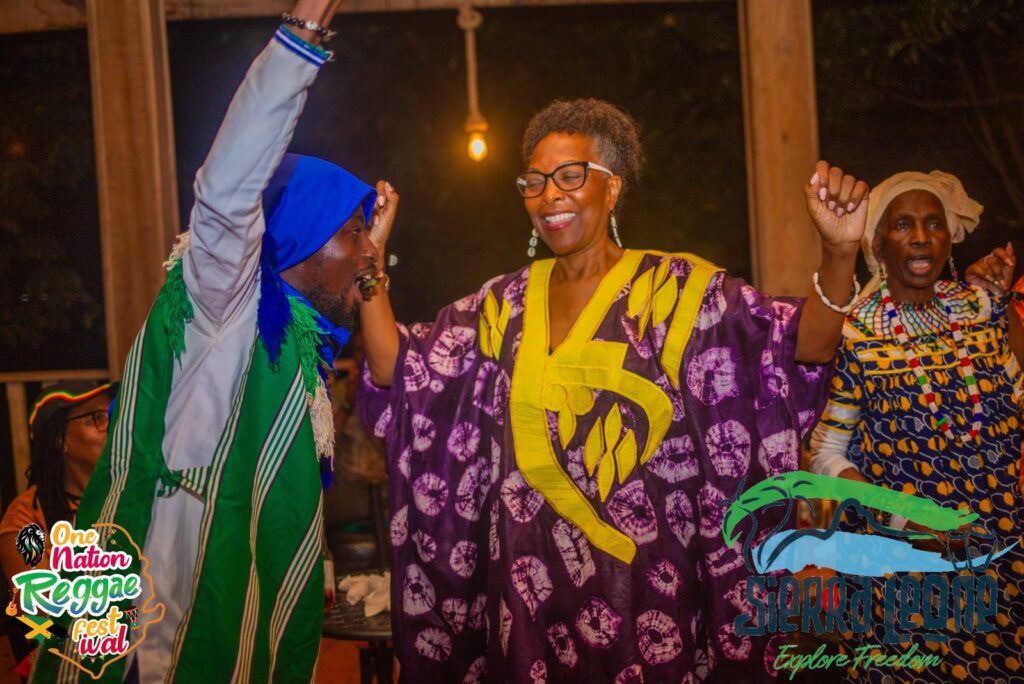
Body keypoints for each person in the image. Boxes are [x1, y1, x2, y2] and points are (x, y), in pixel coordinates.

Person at [356, 98, 869, 681]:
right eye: (534, 182)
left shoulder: (681, 293)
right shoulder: (500, 308)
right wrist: (369, 263)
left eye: (570, 176)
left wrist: (840, 252)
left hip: (648, 599)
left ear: (612, 187)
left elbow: (805, 346)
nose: (549, 195)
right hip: (528, 602)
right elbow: (397, 370)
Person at [29, 1, 384, 681]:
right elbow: (226, 190)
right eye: (352, 232)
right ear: (298, 238)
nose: (370, 252)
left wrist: (365, 253)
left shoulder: (294, 345)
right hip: (162, 630)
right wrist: (303, 33)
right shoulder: (225, 306)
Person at [809, 170, 1023, 683]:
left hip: (1005, 553)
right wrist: (908, 522)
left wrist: (999, 298)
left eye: (933, 224)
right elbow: (824, 454)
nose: (922, 237)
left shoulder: (983, 309)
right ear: (877, 243)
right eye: (903, 225)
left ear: (949, 238)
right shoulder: (855, 332)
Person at [2, 382, 113, 668]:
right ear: (59, 440)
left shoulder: (130, 499)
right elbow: (41, 620)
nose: (112, 427)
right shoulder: (26, 520)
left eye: (114, 414)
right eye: (97, 418)